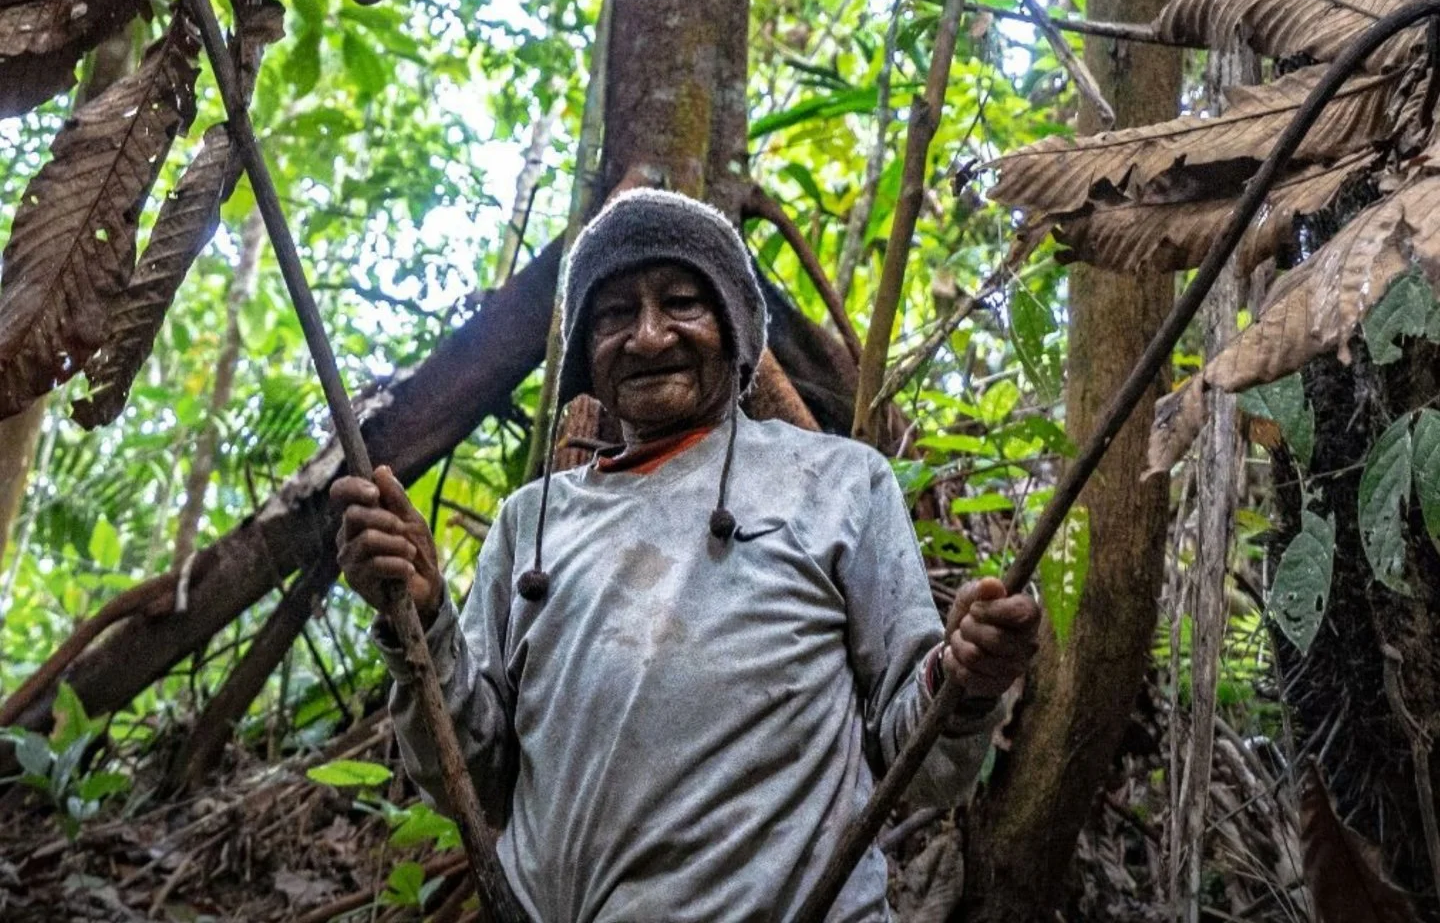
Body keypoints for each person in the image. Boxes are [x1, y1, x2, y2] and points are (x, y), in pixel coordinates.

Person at [334, 188, 1041, 922]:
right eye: (613, 314)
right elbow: (471, 781)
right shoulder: (528, 524)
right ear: (583, 351)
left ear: (733, 328)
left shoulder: (840, 482)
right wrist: (419, 619)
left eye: (680, 302)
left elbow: (919, 763)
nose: (647, 336)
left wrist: (965, 679)